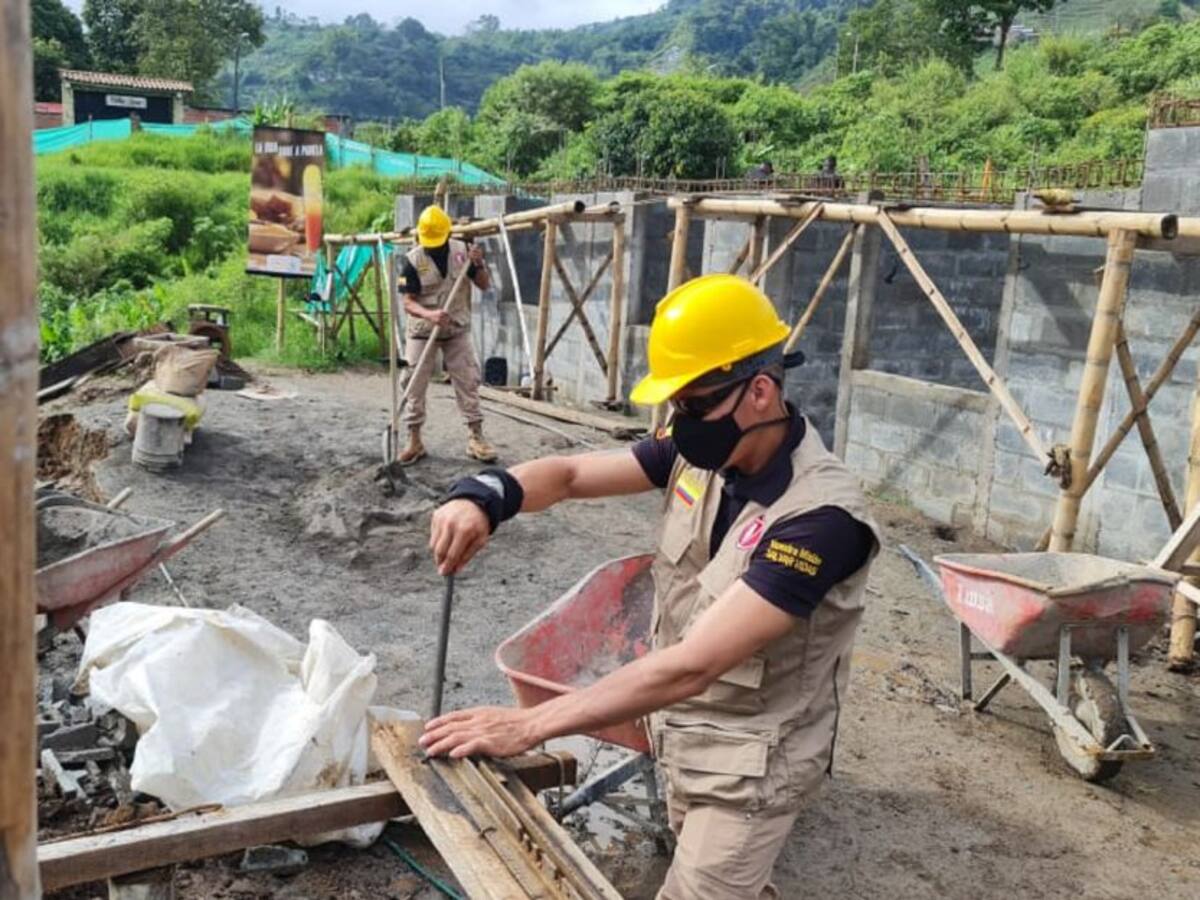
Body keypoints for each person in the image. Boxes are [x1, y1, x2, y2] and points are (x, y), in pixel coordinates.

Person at [422, 274, 881, 899]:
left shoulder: (820, 520)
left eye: (691, 405)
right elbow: (572, 474)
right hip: (682, 730)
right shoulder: (703, 450)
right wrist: (487, 494)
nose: (678, 423)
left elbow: (692, 665)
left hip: (752, 762)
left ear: (761, 391)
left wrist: (528, 726)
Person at [396, 204, 498, 465]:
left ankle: (476, 437)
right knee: (413, 382)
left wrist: (479, 264)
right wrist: (429, 315)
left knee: (468, 379)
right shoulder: (412, 260)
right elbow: (407, 302)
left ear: (447, 234)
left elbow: (484, 284)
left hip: (456, 328)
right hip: (422, 331)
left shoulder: (463, 252)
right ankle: (414, 439)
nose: (431, 245)